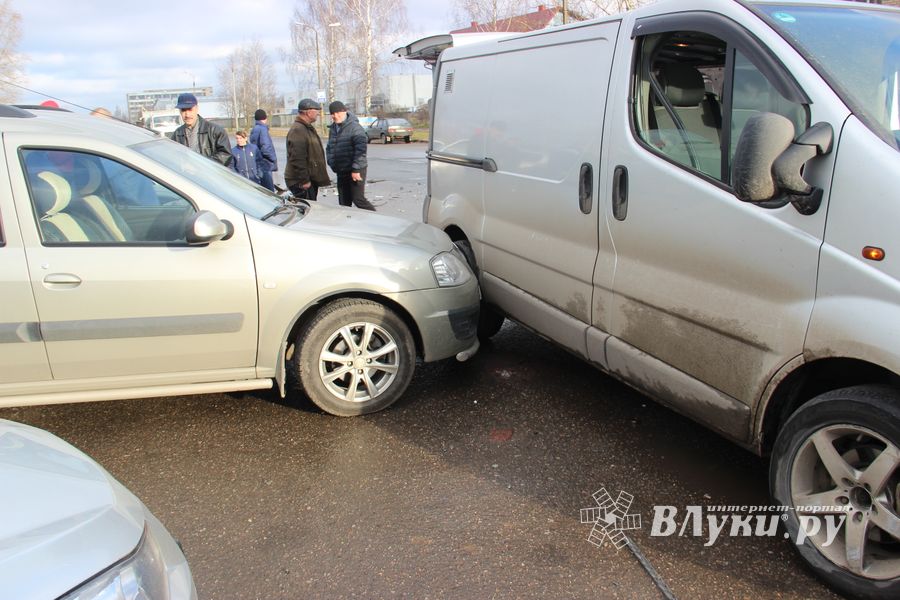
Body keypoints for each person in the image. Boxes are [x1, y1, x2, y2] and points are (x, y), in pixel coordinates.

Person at [326, 101, 375, 211]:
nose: (335, 116)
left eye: (338, 112)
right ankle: (347, 224)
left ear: (345, 112)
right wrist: (331, 161)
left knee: (358, 199)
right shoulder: (333, 129)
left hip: (355, 170)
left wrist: (356, 169)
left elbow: (361, 150)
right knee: (343, 202)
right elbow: (329, 147)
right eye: (333, 114)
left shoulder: (355, 128)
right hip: (341, 169)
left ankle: (377, 220)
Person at [284, 98, 329, 201]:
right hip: (301, 182)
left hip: (307, 179)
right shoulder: (298, 130)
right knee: (307, 210)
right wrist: (304, 180)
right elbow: (297, 158)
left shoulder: (305, 128)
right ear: (308, 112)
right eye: (316, 110)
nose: (318, 113)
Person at [169, 93, 231, 166]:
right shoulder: (177, 134)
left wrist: (202, 166)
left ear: (197, 108)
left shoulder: (215, 131)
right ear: (180, 111)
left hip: (209, 176)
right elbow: (173, 158)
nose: (187, 115)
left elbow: (225, 155)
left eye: (190, 109)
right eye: (183, 110)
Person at [250, 109, 278, 191]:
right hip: (266, 163)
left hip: (258, 163)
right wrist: (273, 159)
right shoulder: (263, 129)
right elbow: (265, 147)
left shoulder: (254, 129)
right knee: (269, 191)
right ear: (265, 118)